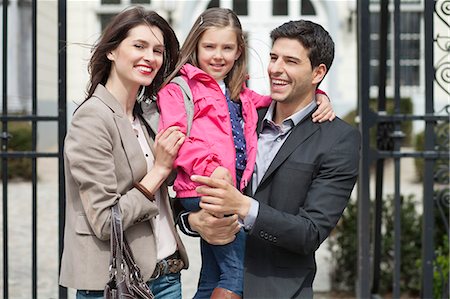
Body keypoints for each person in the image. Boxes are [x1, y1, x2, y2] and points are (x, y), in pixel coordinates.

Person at [157, 8, 335, 299]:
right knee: (236, 277)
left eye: (227, 47)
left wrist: (319, 95)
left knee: (213, 274)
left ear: (239, 50)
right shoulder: (180, 89)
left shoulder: (236, 92)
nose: (218, 55)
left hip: (227, 190)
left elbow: (277, 99)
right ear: (195, 46)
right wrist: (212, 167)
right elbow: (176, 137)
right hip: (207, 187)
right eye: (209, 47)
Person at [188, 19, 361, 298]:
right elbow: (186, 188)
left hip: (278, 290)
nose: (276, 69)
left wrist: (243, 206)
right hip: (216, 285)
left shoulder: (338, 139)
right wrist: (194, 221)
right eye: (273, 57)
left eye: (291, 61)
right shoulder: (240, 115)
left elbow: (310, 233)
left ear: (318, 72)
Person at [59, 7, 189, 299]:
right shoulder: (92, 118)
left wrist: (315, 98)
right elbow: (106, 220)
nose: (150, 57)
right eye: (139, 46)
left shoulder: (149, 116)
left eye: (158, 50)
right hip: (118, 284)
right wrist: (158, 171)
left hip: (168, 277)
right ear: (112, 51)